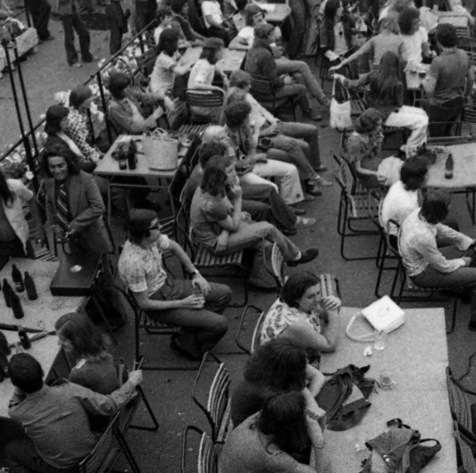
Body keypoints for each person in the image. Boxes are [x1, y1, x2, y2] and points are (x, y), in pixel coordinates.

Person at [4, 351, 143, 473]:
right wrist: (131, 382)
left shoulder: (18, 412)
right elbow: (110, 404)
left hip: (65, 471)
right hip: (94, 451)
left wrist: (19, 384)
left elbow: (14, 402)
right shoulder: (70, 390)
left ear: (16, 385)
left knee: (11, 449)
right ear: (41, 373)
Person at [118, 209, 234, 360]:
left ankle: (187, 336)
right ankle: (191, 348)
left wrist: (195, 273)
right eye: (156, 226)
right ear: (143, 233)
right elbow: (144, 304)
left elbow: (174, 246)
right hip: (157, 300)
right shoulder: (133, 263)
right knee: (220, 324)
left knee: (224, 293)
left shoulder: (152, 239)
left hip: (168, 285)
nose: (160, 228)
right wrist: (183, 303)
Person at [189, 158, 319, 291]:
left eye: (233, 169)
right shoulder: (211, 203)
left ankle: (261, 280)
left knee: (266, 244)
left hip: (221, 231)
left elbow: (227, 210)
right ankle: (294, 256)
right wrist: (238, 199)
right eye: (230, 171)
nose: (235, 173)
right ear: (219, 176)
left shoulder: (214, 186)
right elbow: (232, 225)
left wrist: (235, 216)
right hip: (216, 244)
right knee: (267, 228)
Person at [398, 194, 476, 330]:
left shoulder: (418, 213)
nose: (450, 207)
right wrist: (462, 261)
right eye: (447, 207)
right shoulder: (422, 237)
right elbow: (443, 267)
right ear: (439, 212)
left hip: (426, 261)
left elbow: (442, 229)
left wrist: (471, 242)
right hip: (423, 273)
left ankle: (470, 294)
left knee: (472, 251)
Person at [221, 391, 330, 473]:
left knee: (307, 460)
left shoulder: (267, 416)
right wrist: (318, 440)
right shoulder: (271, 455)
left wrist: (315, 418)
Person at [35, 147, 111, 269]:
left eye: (60, 166)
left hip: (92, 236)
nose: (57, 170)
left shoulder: (85, 179)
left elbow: (98, 207)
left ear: (68, 164)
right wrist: (54, 225)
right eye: (52, 167)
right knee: (79, 274)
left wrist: (75, 224)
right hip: (72, 240)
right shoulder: (48, 182)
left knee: (101, 273)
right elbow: (49, 203)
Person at [343, 50, 430, 153]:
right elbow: (399, 104)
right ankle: (410, 148)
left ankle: (419, 143)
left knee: (422, 114)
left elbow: (356, 83)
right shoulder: (397, 83)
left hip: (373, 110)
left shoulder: (373, 74)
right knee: (423, 120)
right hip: (386, 116)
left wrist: (344, 82)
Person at [228, 340, 325, 426]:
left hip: (264, 419)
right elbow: (295, 416)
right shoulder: (268, 392)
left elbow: (317, 376)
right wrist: (311, 407)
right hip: (252, 431)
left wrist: (311, 402)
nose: (307, 362)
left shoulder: (273, 367)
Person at [253, 270, 342, 354]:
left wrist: (333, 303)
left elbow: (325, 315)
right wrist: (333, 309)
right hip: (282, 366)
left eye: (318, 293)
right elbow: (330, 346)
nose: (317, 299)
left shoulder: (294, 301)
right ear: (297, 298)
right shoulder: (296, 325)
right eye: (311, 296)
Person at [53, 313, 122, 395]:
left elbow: (75, 396)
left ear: (77, 341)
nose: (59, 343)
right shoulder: (103, 346)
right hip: (113, 393)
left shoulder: (78, 373)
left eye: (63, 340)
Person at [423, 23, 469, 137]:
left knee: (436, 138)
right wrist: (466, 95)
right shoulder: (464, 55)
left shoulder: (438, 62)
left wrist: (424, 82)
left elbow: (429, 90)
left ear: (438, 42)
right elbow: (472, 76)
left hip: (440, 106)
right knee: (449, 134)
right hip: (457, 103)